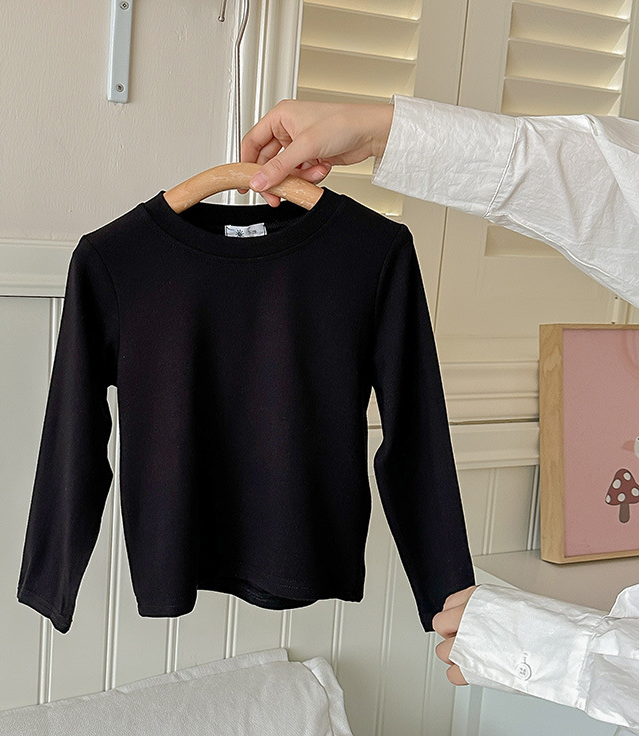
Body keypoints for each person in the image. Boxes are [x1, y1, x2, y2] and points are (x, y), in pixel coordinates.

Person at [239, 94, 639, 734]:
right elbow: (611, 193)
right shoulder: (114, 259)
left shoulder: (373, 252)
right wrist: (386, 131)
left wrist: (559, 651)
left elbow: (413, 428)